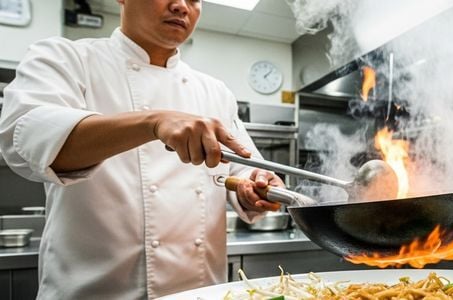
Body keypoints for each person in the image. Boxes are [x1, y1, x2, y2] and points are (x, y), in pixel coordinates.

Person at [0, 0, 284, 298]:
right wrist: (152, 122)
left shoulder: (214, 91)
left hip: (200, 292)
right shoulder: (66, 58)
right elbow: (27, 139)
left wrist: (258, 188)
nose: (181, 6)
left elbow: (245, 169)